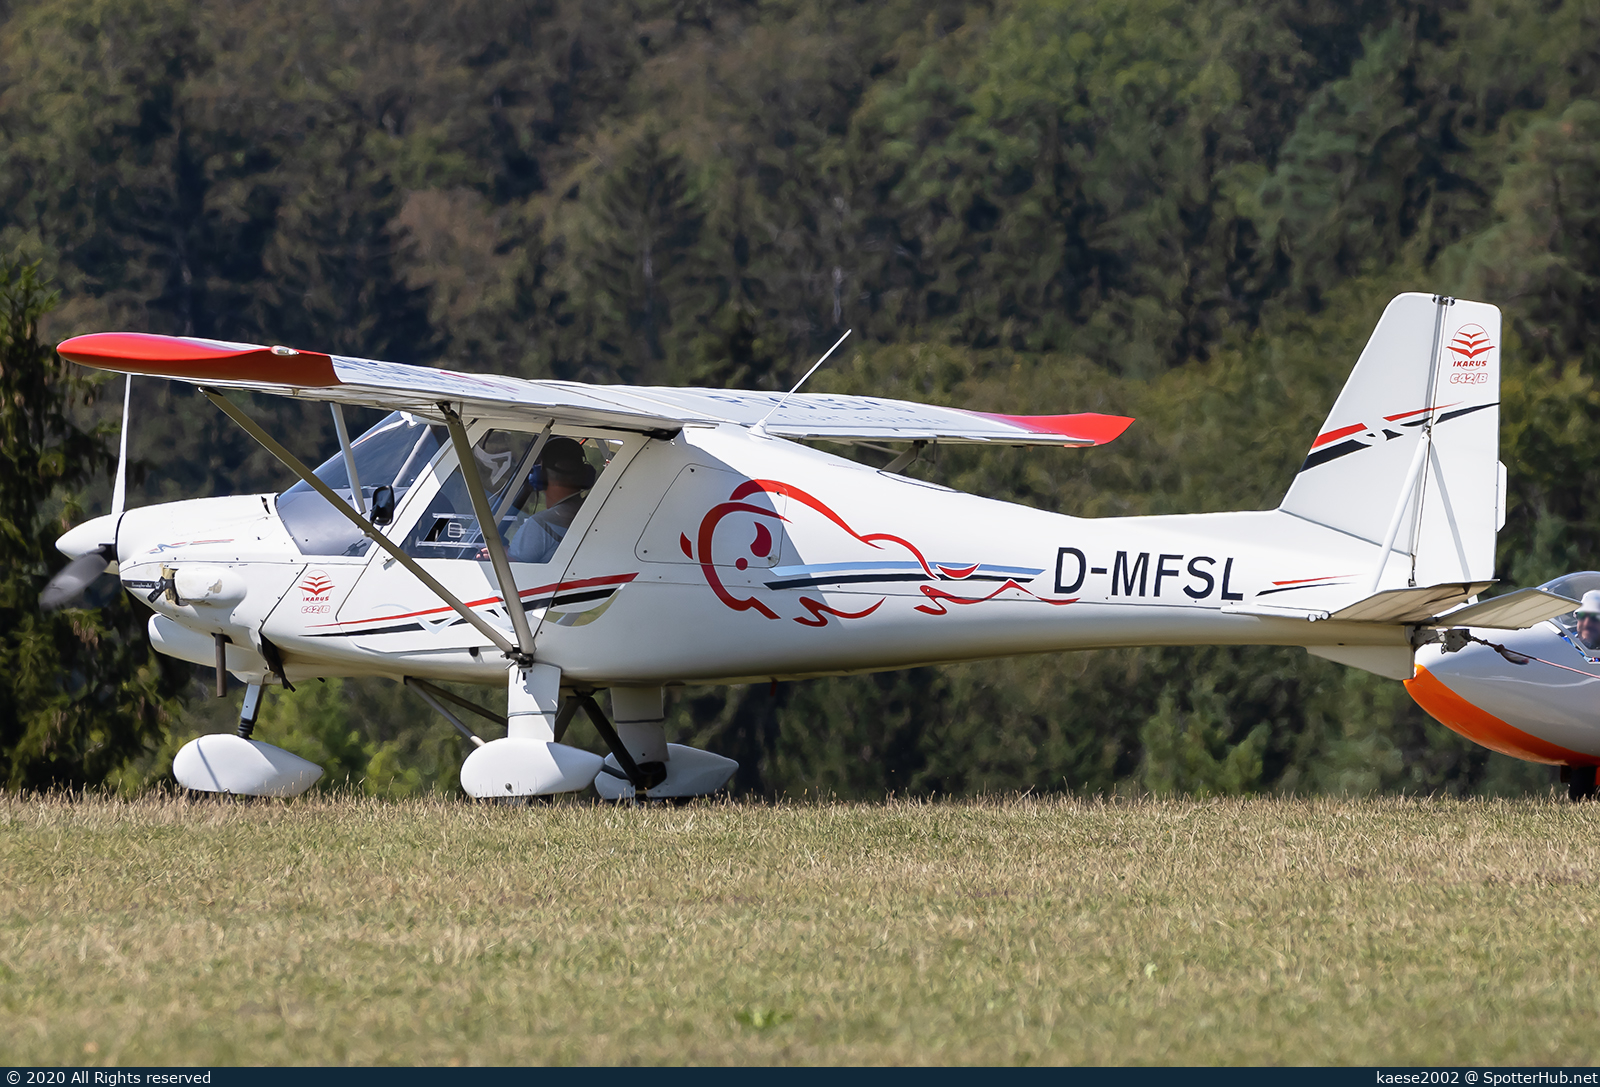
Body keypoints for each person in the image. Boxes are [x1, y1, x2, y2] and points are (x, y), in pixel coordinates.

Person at [476, 437, 596, 565]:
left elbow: (516, 566)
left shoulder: (541, 524)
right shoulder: (592, 511)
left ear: (540, 476)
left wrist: (499, 553)